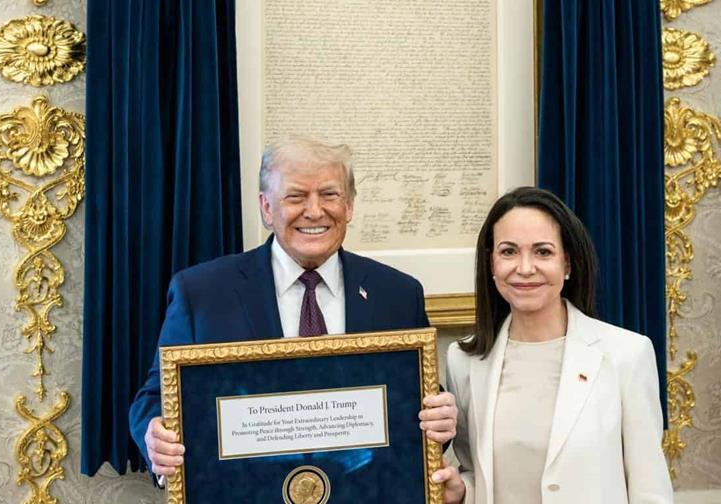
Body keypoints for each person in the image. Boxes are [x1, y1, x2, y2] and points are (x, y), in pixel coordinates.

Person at [128, 135, 457, 488]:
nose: (314, 211)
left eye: (329, 195)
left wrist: (440, 420)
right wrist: (156, 437)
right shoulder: (202, 294)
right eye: (296, 197)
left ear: (349, 205)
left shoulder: (397, 294)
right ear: (266, 208)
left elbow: (418, 403)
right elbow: (157, 396)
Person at [433, 187, 672, 503]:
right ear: (491, 264)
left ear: (568, 264)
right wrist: (462, 491)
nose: (525, 268)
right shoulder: (464, 360)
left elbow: (650, 490)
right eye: (508, 252)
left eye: (543, 252)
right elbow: (475, 472)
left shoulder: (626, 355)